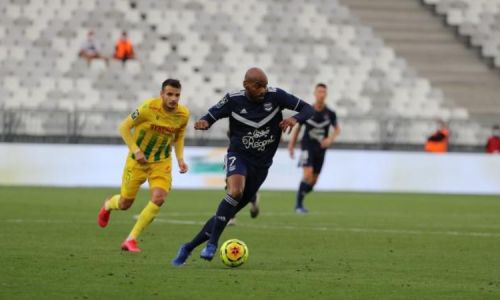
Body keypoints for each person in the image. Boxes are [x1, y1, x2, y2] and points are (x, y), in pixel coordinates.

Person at [171, 67, 314, 265]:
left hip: (261, 166)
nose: (263, 90)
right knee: (235, 191)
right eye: (258, 86)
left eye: (264, 85)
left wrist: (294, 118)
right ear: (246, 85)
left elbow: (309, 108)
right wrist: (203, 122)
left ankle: (187, 247)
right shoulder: (233, 100)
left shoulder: (276, 96)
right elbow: (210, 115)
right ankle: (212, 244)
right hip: (238, 156)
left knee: (228, 211)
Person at [97, 79, 189, 252]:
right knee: (125, 204)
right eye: (169, 94)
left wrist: (180, 159)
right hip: (137, 161)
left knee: (159, 198)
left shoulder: (183, 114)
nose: (173, 99)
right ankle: (109, 204)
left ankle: (131, 239)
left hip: (161, 162)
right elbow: (124, 127)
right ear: (162, 94)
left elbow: (179, 137)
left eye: (177, 95)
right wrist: (136, 150)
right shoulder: (148, 108)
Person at [288, 83, 340, 213]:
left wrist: (330, 139)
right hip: (307, 147)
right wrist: (291, 145)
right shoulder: (308, 110)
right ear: (315, 94)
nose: (321, 94)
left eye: (323, 92)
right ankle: (298, 205)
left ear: (326, 94)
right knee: (308, 174)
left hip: (321, 150)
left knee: (313, 182)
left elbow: (337, 129)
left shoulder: (330, 113)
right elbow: (298, 128)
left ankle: (302, 194)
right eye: (319, 92)